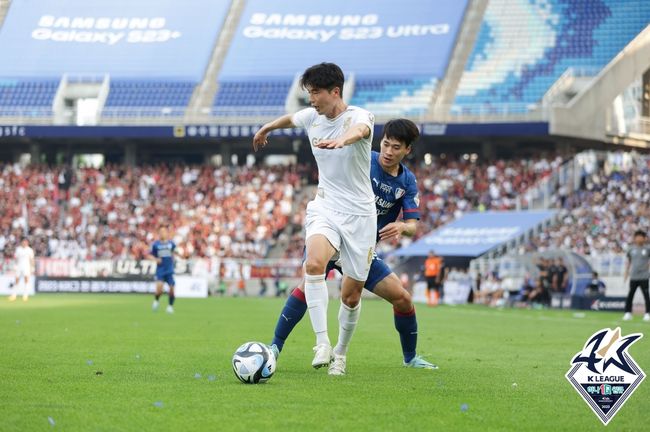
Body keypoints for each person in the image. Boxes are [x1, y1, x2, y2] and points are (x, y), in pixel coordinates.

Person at [267, 119, 437, 372]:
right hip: (332, 232)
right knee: (308, 282)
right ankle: (274, 348)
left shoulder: (407, 182)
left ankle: (410, 358)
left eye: (396, 147)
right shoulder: (363, 159)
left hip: (360, 248)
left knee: (402, 299)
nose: (389, 152)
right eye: (386, 144)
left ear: (407, 150)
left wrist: (401, 226)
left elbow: (413, 225)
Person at [254, 63, 377, 374]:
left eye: (316, 93)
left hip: (360, 216)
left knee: (351, 296)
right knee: (313, 265)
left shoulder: (360, 117)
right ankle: (321, 342)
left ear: (335, 92)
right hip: (325, 206)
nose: (311, 100)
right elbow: (291, 119)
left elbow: (360, 131)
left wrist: (343, 141)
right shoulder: (312, 117)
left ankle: (341, 354)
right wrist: (267, 127)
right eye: (308, 93)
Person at [622, 230, 650, 321]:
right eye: (637, 236)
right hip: (633, 276)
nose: (639, 238)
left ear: (644, 238)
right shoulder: (631, 249)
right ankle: (628, 313)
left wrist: (647, 267)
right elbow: (628, 262)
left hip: (644, 276)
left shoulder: (647, 249)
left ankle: (647, 313)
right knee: (630, 295)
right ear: (635, 238)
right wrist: (626, 273)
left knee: (646, 295)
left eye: (641, 236)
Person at [148, 227, 177, 314]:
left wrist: (173, 258)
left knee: (172, 289)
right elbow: (150, 255)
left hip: (169, 270)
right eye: (160, 232)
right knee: (159, 290)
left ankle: (170, 306)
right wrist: (156, 259)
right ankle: (156, 301)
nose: (162, 233)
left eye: (164, 232)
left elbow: (173, 252)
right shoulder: (155, 244)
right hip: (160, 270)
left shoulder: (171, 243)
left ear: (167, 233)